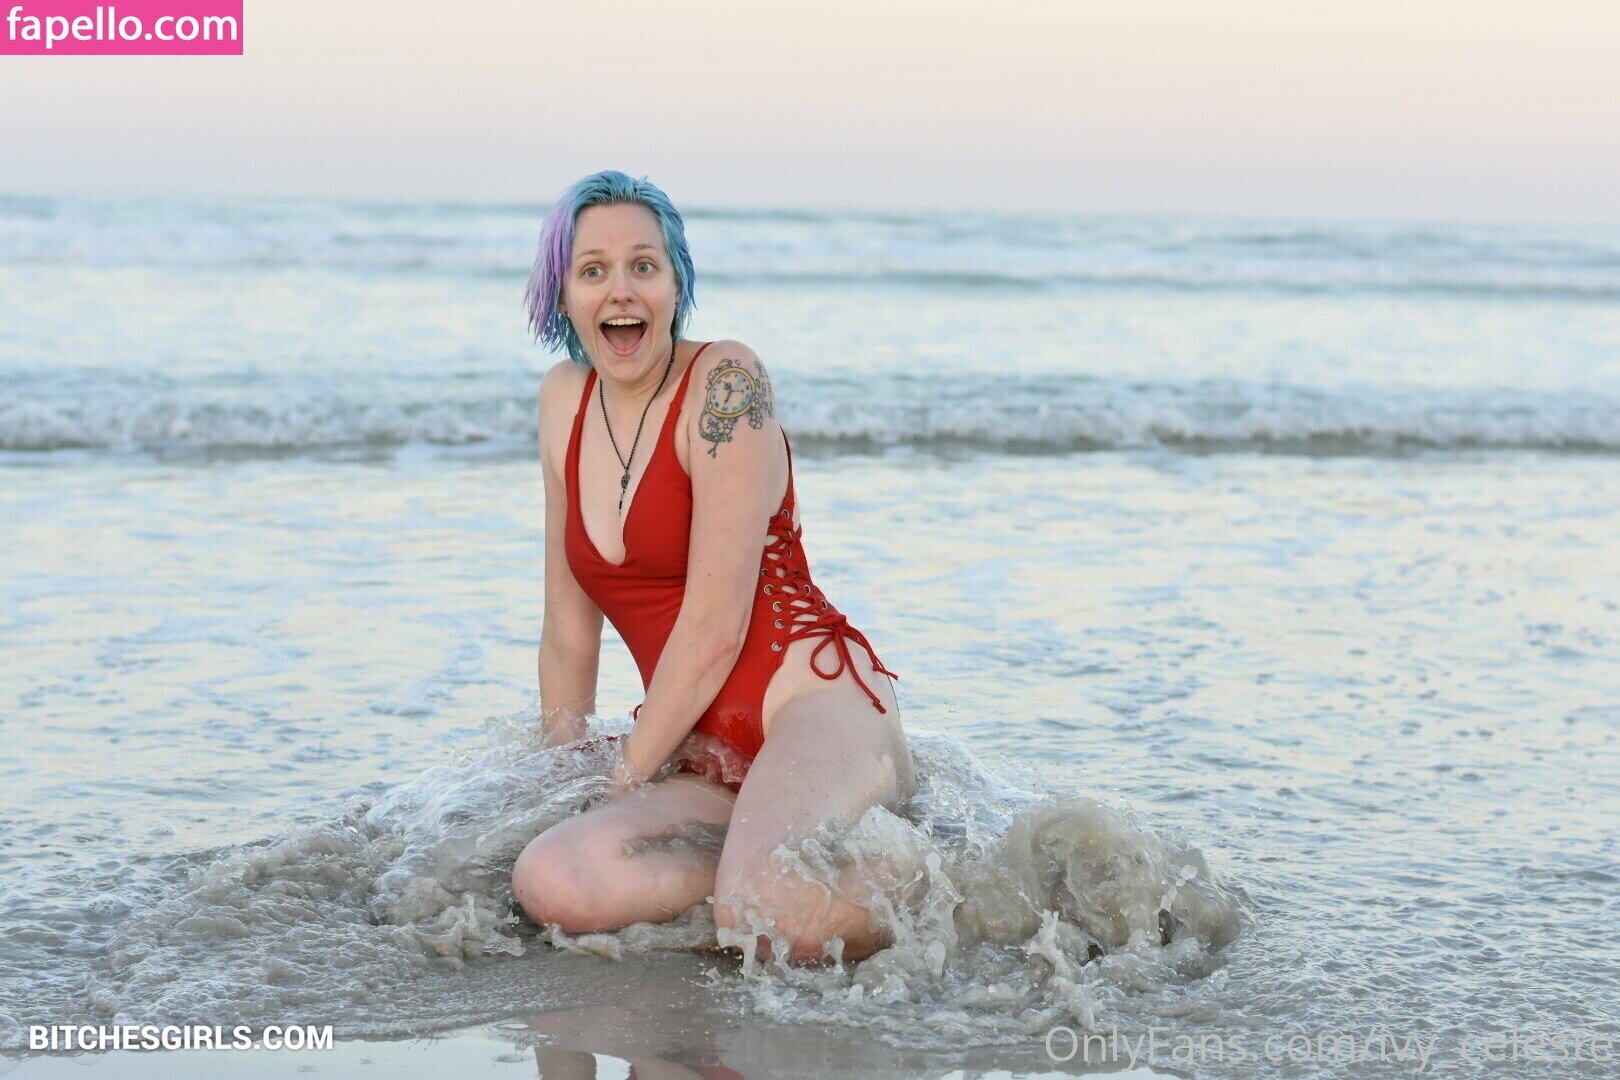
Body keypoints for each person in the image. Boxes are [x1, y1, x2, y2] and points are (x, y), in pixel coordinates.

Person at [510, 171, 916, 965]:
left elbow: (713, 629)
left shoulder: (727, 382)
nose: (620, 289)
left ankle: (942, 877)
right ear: (563, 294)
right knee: (556, 878)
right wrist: (560, 780)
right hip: (699, 746)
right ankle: (755, 855)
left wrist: (623, 777)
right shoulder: (562, 400)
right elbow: (567, 632)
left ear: (676, 283)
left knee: (766, 916)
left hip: (808, 702)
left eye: (644, 265)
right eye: (592, 270)